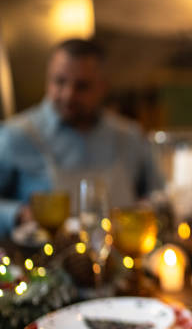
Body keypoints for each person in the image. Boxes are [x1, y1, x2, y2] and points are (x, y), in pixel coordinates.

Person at [0, 38, 162, 237]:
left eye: (82, 86)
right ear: (47, 80)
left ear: (103, 86)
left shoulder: (130, 136)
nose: (68, 95)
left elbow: (157, 195)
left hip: (120, 261)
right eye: (59, 82)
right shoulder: (15, 135)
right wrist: (18, 214)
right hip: (45, 262)